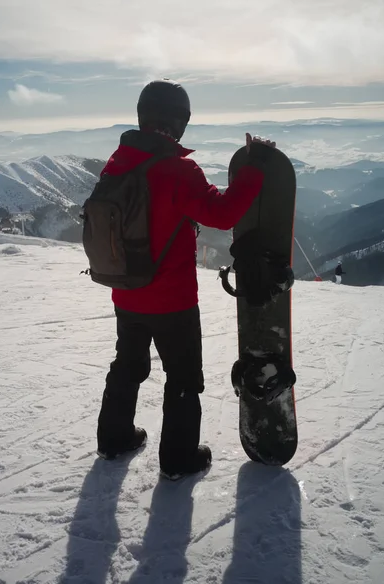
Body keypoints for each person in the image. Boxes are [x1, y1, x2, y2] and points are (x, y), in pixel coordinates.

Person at [96, 78, 276, 480]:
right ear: (180, 121)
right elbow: (222, 213)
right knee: (182, 377)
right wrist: (255, 170)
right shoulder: (176, 169)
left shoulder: (117, 162)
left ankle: (114, 437)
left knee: (128, 364)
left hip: (126, 293)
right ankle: (178, 460)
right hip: (172, 300)